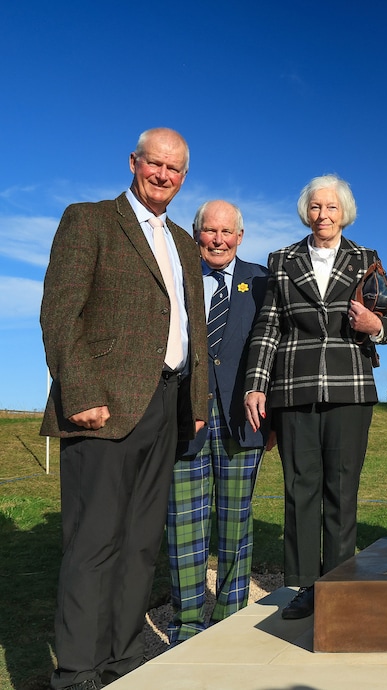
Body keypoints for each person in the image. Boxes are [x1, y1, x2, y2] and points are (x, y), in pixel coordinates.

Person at [40, 128, 207, 689]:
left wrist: (197, 400)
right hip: (103, 409)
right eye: (155, 164)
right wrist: (81, 392)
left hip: (166, 405)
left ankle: (122, 660)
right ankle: (79, 672)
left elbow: (194, 328)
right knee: (94, 543)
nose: (163, 175)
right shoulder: (87, 220)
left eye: (175, 169)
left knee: (139, 544)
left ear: (185, 177)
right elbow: (60, 313)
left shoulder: (184, 242)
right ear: (134, 162)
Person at [244, 175, 387, 620]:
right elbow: (268, 328)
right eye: (316, 207)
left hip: (350, 389)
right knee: (300, 489)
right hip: (292, 389)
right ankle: (306, 588)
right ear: (306, 212)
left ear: (344, 213)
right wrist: (257, 384)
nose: (323, 215)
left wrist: (375, 326)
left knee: (342, 489)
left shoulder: (366, 259)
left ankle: (340, 586)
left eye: (332, 208)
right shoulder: (282, 260)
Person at [165, 200, 270, 644]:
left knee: (235, 523)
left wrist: (275, 418)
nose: (218, 240)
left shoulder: (262, 281)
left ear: (240, 237)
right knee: (184, 527)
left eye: (227, 232)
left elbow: (273, 349)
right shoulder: (176, 275)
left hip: (242, 420)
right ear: (196, 234)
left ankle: (228, 623)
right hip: (184, 418)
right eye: (210, 231)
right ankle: (187, 627)